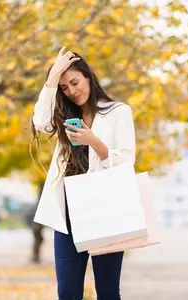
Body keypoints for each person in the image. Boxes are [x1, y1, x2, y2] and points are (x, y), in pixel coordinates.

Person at [31, 47, 136, 300]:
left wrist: (94, 141)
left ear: (88, 77)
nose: (72, 91)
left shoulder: (118, 112)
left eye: (75, 82)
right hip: (68, 214)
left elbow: (126, 162)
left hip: (105, 211)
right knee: (67, 293)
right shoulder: (65, 116)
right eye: (64, 87)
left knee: (108, 292)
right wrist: (52, 78)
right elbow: (39, 122)